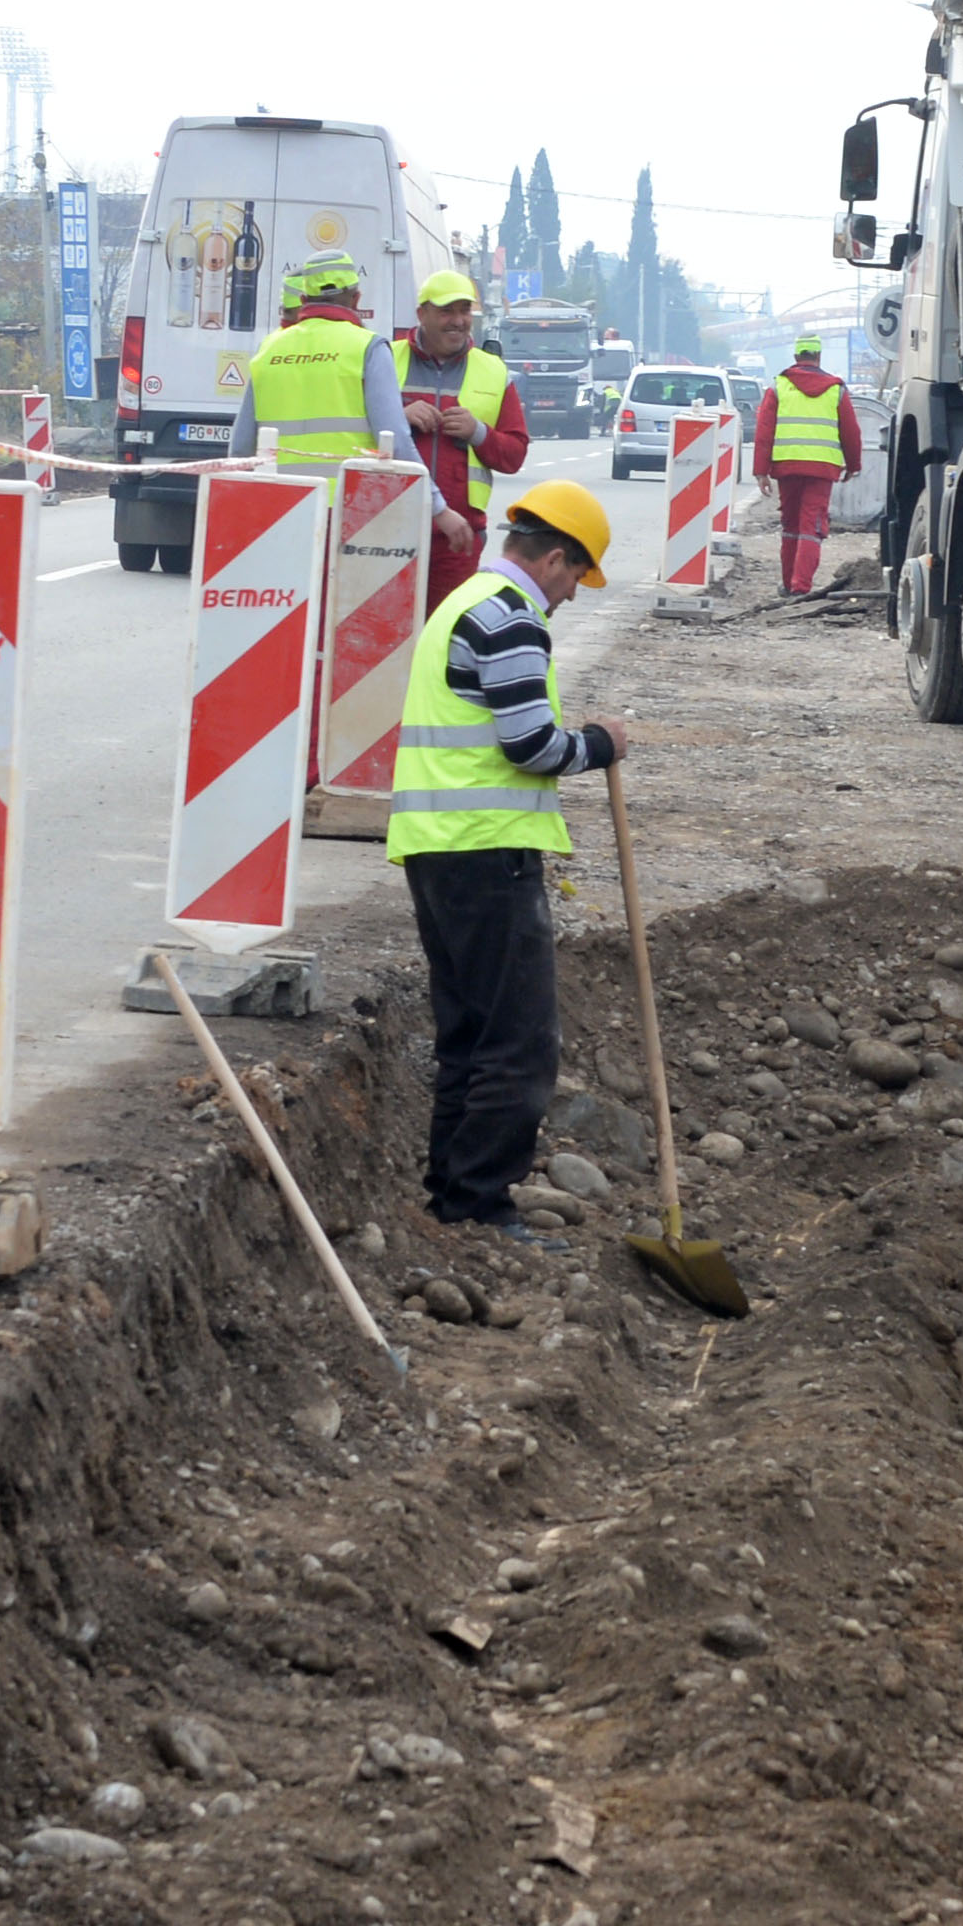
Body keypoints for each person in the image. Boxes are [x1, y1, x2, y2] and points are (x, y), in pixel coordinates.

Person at [389, 477, 626, 1236]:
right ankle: (480, 1204)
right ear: (554, 559)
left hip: (438, 852)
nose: (571, 598)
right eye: (575, 579)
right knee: (520, 1045)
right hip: (488, 855)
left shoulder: (460, 604)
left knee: (468, 1035)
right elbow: (532, 747)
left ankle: (452, 1198)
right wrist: (601, 744)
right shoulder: (511, 620)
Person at [398, 268, 534, 600]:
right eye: (446, 311)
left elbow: (515, 455)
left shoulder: (493, 371)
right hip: (389, 528)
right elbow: (356, 437)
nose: (458, 321)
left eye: (464, 311)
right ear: (422, 314)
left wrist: (478, 432)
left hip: (458, 535)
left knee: (445, 634)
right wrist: (400, 418)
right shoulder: (386, 359)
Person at [231, 253, 406, 481]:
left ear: (303, 300)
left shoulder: (269, 348)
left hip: (280, 505)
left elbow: (241, 448)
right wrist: (436, 507)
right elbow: (396, 442)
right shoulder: (368, 347)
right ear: (356, 299)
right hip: (350, 504)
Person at [752, 330, 862, 596]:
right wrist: (853, 464)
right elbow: (851, 431)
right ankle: (801, 587)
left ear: (796, 356)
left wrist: (760, 472)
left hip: (787, 467)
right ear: (819, 356)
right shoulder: (836, 390)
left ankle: (789, 584)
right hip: (822, 469)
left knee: (790, 525)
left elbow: (764, 431)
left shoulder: (779, 386)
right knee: (811, 527)